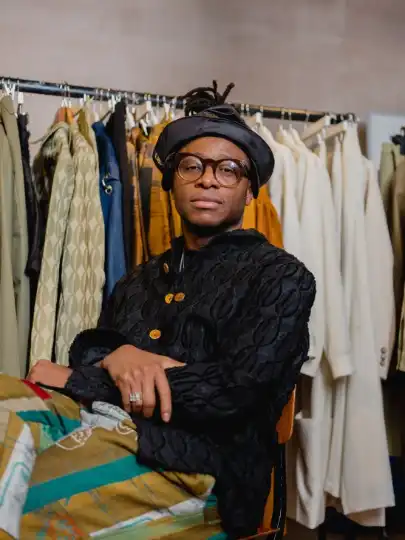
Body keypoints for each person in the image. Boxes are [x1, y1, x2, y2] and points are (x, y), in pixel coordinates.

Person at [25, 83, 316, 538]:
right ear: (170, 181)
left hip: (205, 475)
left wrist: (94, 376)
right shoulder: (139, 280)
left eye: (228, 170)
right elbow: (93, 348)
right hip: (107, 431)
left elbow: (233, 392)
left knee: (28, 498)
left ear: (250, 191)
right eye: (192, 166)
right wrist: (120, 358)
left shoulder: (281, 277)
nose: (208, 180)